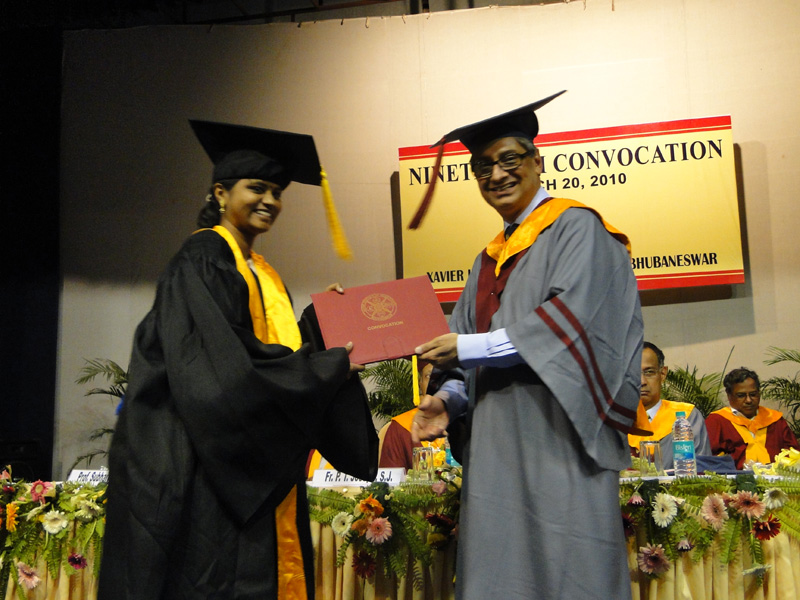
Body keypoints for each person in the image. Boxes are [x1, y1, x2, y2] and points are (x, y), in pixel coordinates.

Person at [98, 120, 378, 600]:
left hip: (246, 469)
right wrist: (322, 367)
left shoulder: (259, 270)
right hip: (211, 466)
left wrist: (322, 324)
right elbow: (222, 371)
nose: (269, 200)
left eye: (277, 192)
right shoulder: (203, 259)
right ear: (221, 193)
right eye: (257, 188)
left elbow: (265, 351)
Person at [410, 91, 646, 600]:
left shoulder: (578, 227)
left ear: (537, 161)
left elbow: (572, 323)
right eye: (483, 167)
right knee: (499, 572)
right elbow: (463, 348)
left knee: (570, 569)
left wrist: (468, 349)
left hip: (559, 440)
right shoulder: (487, 260)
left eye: (509, 160)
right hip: (494, 454)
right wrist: (447, 401)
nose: (496, 175)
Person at [628, 341, 710, 468]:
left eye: (649, 372)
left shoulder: (687, 417)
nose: (642, 381)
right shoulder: (609, 422)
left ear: (662, 374)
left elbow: (702, 471)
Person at [705, 366, 799, 469]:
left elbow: (793, 453)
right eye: (741, 395)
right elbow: (710, 459)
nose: (748, 400)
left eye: (753, 394)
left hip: (776, 477)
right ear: (729, 396)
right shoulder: (717, 421)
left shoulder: (774, 419)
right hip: (735, 477)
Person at [379, 362, 449, 469]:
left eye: (445, 376)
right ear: (420, 383)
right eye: (429, 376)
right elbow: (392, 476)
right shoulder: (400, 427)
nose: (435, 383)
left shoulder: (471, 422)